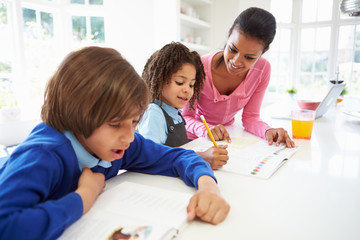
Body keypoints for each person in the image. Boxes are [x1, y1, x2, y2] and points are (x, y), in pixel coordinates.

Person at [0, 47, 230, 240]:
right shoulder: (42, 155)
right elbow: (6, 227)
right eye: (115, 124)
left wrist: (209, 187)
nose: (129, 137)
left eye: (134, 122)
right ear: (78, 115)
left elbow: (177, 156)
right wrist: (84, 197)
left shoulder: (119, 144)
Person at [182, 7, 295, 148]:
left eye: (249, 57)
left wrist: (268, 131)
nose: (236, 61)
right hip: (193, 139)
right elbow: (185, 117)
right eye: (232, 49)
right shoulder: (199, 67)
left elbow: (250, 117)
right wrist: (205, 130)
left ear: (264, 51)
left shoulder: (262, 70)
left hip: (227, 138)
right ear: (229, 34)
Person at [137, 42, 229, 169]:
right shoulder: (154, 113)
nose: (187, 90)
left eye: (191, 85)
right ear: (159, 79)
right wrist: (200, 157)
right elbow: (148, 157)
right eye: (180, 83)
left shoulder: (174, 112)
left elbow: (178, 147)